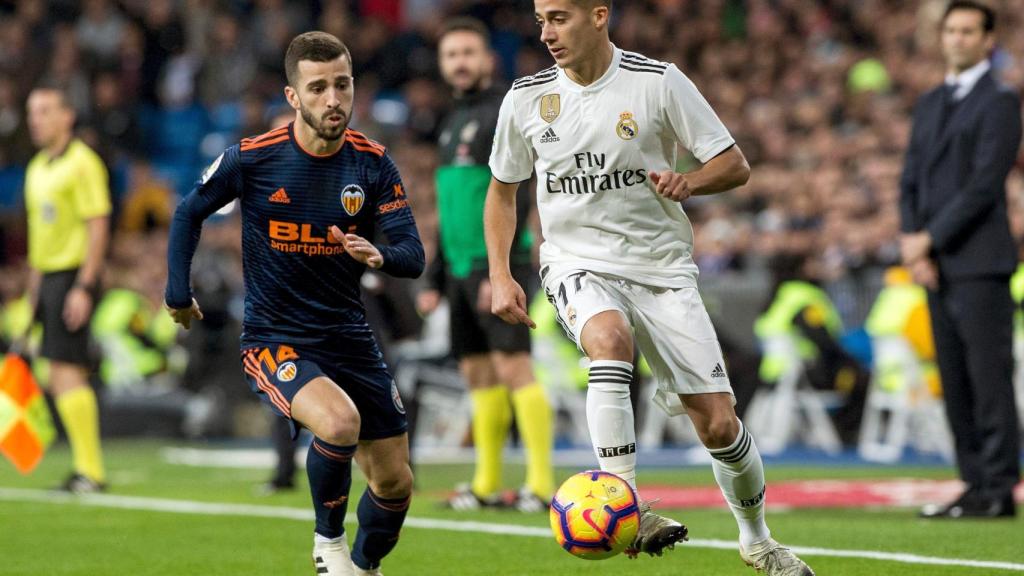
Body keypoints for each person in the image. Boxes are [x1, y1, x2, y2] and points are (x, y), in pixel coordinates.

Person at [485, 1, 814, 574]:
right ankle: (626, 502)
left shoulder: (658, 82)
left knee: (718, 423)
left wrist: (688, 180)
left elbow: (733, 164)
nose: (546, 33)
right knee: (608, 339)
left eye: (559, 17)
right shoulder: (527, 98)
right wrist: (499, 273)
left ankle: (757, 541)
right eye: (540, 19)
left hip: (662, 270)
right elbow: (501, 190)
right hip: (575, 262)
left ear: (599, 15)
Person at [165, 31, 425, 576]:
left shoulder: (374, 165)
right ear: (293, 96)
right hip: (275, 338)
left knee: (396, 483)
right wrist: (177, 294)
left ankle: (363, 565)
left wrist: (379, 254)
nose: (334, 99)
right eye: (319, 87)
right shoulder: (254, 159)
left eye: (343, 84)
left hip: (349, 337)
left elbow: (412, 253)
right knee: (337, 422)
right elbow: (188, 212)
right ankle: (328, 547)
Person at [417, 16, 554, 512]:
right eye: (451, 54)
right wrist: (436, 274)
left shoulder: (505, 109)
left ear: (487, 59)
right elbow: (451, 206)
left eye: (468, 53)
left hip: (496, 263)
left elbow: (520, 191)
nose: (459, 63)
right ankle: (486, 484)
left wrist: (507, 268)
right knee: (477, 373)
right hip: (456, 267)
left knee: (515, 367)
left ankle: (541, 486)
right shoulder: (450, 121)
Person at [899, 1, 1021, 519]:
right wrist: (911, 240)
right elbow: (909, 179)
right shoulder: (929, 102)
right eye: (951, 30)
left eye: (969, 31)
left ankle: (998, 486)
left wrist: (927, 240)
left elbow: (983, 185)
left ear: (988, 39)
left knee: (987, 377)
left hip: (979, 262)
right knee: (953, 378)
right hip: (936, 265)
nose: (958, 38)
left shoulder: (1001, 99)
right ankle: (973, 482)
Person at [22, 83, 111, 494]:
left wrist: (85, 286)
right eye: (31, 112)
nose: (34, 120)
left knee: (69, 372)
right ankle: (83, 467)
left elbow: (98, 226)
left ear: (66, 116)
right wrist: (32, 296)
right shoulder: (37, 168)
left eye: (43, 111)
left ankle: (90, 471)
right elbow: (38, 241)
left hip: (74, 274)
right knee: (56, 373)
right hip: (49, 278)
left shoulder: (83, 163)